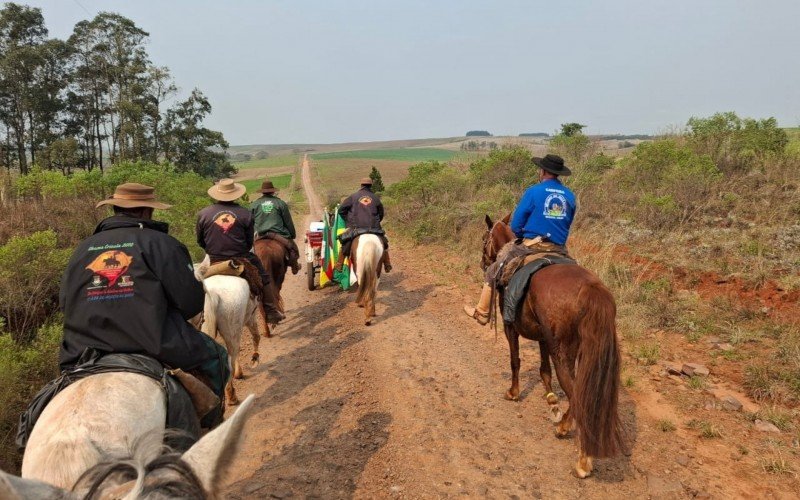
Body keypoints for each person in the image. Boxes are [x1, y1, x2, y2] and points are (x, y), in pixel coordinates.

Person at [59, 183, 229, 419]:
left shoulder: (83, 248)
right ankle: (210, 423)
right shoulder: (163, 244)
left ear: (115, 209)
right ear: (146, 211)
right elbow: (190, 303)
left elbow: (65, 303)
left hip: (83, 351)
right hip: (156, 343)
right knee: (217, 358)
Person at [464, 154, 576, 324]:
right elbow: (567, 222)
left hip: (533, 245)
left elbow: (516, 225)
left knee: (494, 269)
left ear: (543, 171)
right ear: (558, 173)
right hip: (559, 248)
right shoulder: (570, 196)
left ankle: (482, 312)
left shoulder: (533, 191)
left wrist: (523, 232)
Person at [196, 178, 285, 323]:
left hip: (213, 258)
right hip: (240, 257)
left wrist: (212, 251)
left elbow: (200, 240)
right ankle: (270, 310)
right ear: (235, 194)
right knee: (264, 277)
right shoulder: (245, 213)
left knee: (194, 279)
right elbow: (249, 241)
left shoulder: (203, 214)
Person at [335, 177, 392, 273]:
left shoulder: (353, 197)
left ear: (361, 185)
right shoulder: (375, 198)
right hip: (374, 227)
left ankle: (339, 264)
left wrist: (349, 221)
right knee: (384, 243)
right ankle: (387, 263)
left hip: (356, 227)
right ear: (371, 186)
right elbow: (381, 213)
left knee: (345, 242)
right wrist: (376, 222)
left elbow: (341, 210)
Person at [250, 179, 301, 274]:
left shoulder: (254, 205)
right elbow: (288, 222)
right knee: (293, 248)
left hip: (260, 234)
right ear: (273, 191)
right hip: (279, 235)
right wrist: (292, 235)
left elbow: (250, 223)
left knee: (249, 253)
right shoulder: (281, 203)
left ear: (262, 192)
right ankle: (295, 265)